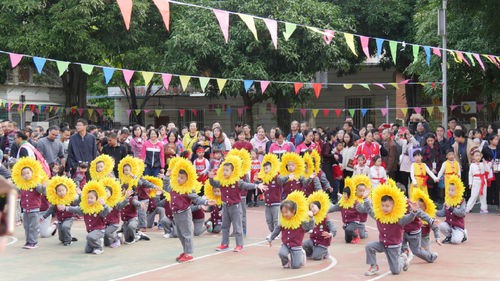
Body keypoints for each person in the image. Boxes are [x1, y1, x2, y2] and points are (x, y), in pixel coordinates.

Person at [209, 156, 267, 252]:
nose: (225, 172)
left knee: (237, 226)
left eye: (227, 170)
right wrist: (211, 178)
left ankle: (239, 245)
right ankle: (224, 244)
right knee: (225, 226)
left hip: (235, 207)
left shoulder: (237, 181)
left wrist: (257, 185)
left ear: (232, 171)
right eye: (224, 170)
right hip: (225, 206)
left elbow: (246, 185)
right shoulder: (221, 181)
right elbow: (214, 184)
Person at [162, 158, 215, 262]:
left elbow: (196, 198)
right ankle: (185, 251)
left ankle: (189, 253)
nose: (179, 179)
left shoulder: (189, 189)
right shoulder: (174, 187)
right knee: (181, 234)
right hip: (176, 214)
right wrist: (167, 176)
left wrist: (206, 202)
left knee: (187, 233)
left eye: (182, 178)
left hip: (184, 213)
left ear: (187, 179)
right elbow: (166, 187)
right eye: (178, 177)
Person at [363, 186, 418, 276]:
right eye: (383, 205)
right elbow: (369, 210)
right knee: (369, 246)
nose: (385, 208)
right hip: (382, 244)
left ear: (393, 206)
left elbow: (409, 219)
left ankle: (403, 258)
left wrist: (414, 212)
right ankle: (374, 266)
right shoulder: (379, 216)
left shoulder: (398, 218)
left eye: (388, 206)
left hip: (394, 246)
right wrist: (365, 199)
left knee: (395, 271)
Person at [267, 192, 315, 269]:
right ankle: (285, 262)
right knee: (282, 253)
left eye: (286, 212)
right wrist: (271, 238)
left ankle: (301, 255)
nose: (284, 214)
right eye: (283, 213)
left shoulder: (300, 222)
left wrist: (311, 218)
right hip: (286, 244)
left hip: (296, 246)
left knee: (296, 266)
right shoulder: (283, 222)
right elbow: (277, 230)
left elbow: (310, 227)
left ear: (293, 211)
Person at [64, 186, 111, 255]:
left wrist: (104, 205)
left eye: (92, 198)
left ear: (97, 199)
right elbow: (76, 209)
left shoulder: (99, 208)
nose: (89, 199)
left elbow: (107, 211)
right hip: (91, 231)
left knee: (90, 236)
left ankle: (99, 247)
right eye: (88, 198)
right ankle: (97, 241)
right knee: (87, 250)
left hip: (99, 230)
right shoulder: (85, 208)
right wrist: (65, 208)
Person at [12, 158, 46, 249]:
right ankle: (28, 241)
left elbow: (42, 191)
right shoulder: (22, 185)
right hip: (25, 209)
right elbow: (16, 190)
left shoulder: (36, 184)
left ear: (32, 173)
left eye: (28, 173)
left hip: (34, 209)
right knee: (26, 226)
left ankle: (33, 242)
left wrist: (43, 187)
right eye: (23, 174)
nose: (26, 175)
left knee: (33, 226)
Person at [302, 191, 336, 261]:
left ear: (319, 206)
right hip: (313, 240)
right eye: (310, 208)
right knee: (303, 245)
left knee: (316, 257)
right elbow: (306, 228)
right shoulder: (310, 218)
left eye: (313, 206)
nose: (312, 209)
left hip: (322, 242)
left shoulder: (324, 218)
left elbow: (332, 226)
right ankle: (312, 252)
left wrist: (331, 233)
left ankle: (325, 251)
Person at [436, 175, 467, 244]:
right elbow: (442, 213)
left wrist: (451, 209)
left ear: (458, 190)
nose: (450, 192)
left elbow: (462, 213)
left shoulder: (461, 201)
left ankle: (464, 234)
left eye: (452, 190)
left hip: (458, 226)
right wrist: (433, 211)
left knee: (455, 241)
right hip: (449, 224)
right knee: (441, 225)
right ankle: (449, 236)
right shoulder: (447, 200)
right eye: (449, 190)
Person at [421, 134, 444, 202]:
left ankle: (437, 200)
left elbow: (440, 158)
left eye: (431, 140)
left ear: (434, 140)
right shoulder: (424, 149)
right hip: (428, 170)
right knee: (429, 186)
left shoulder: (437, 147)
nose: (430, 142)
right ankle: (430, 200)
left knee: (437, 185)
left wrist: (437, 169)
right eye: (428, 141)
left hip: (437, 169)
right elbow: (424, 161)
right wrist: (430, 169)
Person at [482, 135, 499, 206]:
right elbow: (482, 158)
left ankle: (497, 201)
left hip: (498, 169)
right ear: (490, 141)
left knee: (497, 185)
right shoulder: (485, 149)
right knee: (489, 185)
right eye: (495, 139)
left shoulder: (499, 148)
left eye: (497, 139)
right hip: (489, 169)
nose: (497, 141)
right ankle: (489, 201)